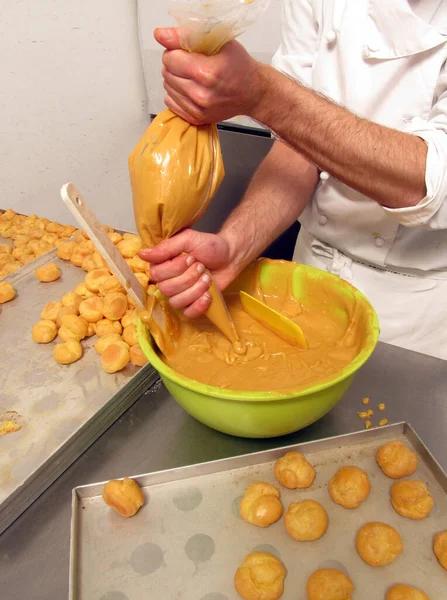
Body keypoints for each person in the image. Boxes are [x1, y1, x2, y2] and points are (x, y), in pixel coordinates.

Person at [139, 1, 447, 360]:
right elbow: (300, 145)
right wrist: (235, 246)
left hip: (415, 316)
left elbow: (430, 183)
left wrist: (263, 94)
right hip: (308, 277)